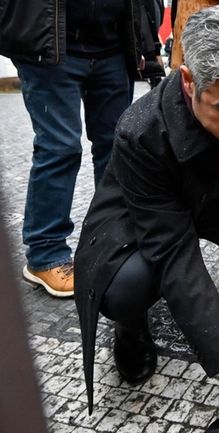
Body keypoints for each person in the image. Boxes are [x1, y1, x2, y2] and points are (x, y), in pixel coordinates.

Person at [73, 4, 219, 430]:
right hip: (140, 219)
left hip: (211, 197)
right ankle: (131, 327)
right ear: (189, 81)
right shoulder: (139, 130)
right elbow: (172, 251)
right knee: (125, 286)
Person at [0, 0, 160, 298]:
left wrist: (147, 41)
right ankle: (46, 255)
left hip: (113, 44)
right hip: (50, 45)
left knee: (116, 149)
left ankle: (111, 242)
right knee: (59, 149)